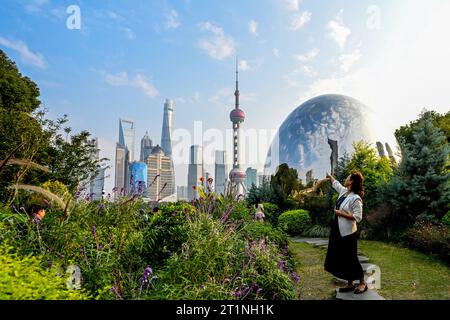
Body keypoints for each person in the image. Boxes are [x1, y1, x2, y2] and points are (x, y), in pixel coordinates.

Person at [323, 172, 367, 294]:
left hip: (348, 233)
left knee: (351, 258)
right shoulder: (344, 192)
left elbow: (358, 217)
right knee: (342, 258)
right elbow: (336, 184)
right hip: (337, 230)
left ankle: (362, 283)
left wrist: (341, 213)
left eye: (348, 177)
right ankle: (350, 283)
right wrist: (330, 177)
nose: (346, 178)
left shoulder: (356, 198)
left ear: (352, 181)